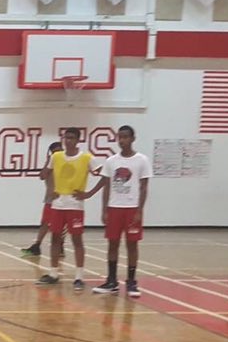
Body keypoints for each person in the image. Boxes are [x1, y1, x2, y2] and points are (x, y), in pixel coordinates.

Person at [79, 125, 151, 297]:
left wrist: (139, 210)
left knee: (131, 245)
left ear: (133, 138)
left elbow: (144, 187)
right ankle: (112, 281)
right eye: (120, 137)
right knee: (113, 244)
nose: (122, 140)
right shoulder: (111, 161)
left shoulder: (142, 160)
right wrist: (104, 208)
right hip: (114, 208)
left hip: (132, 208)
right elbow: (105, 185)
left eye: (126, 137)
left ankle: (132, 282)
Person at [36, 128, 102, 290]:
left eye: (72, 138)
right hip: (58, 204)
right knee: (55, 239)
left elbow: (104, 175)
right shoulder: (56, 156)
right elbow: (43, 175)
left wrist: (89, 193)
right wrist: (48, 161)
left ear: (78, 140)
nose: (68, 140)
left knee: (77, 240)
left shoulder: (86, 157)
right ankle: (53, 273)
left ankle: (79, 276)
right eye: (66, 137)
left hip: (75, 206)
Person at [22, 142, 65, 256]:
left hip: (64, 198)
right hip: (50, 198)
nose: (58, 153)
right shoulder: (50, 165)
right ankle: (37, 245)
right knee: (45, 222)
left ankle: (60, 246)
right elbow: (42, 176)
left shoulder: (66, 162)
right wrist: (48, 161)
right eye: (55, 152)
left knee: (61, 225)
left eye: (60, 151)